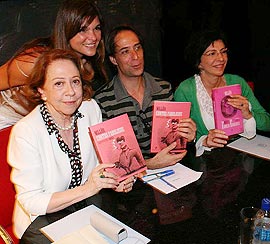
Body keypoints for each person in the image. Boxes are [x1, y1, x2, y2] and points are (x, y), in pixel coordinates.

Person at [7, 49, 135, 240]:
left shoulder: (90, 108)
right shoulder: (26, 131)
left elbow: (102, 163)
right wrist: (89, 188)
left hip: (86, 205)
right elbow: (31, 202)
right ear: (42, 90)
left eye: (75, 81)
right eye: (59, 83)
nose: (71, 91)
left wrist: (118, 178)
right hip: (42, 220)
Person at [94, 25, 197, 240]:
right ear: (113, 60)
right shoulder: (102, 100)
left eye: (138, 48)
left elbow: (174, 141)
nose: (135, 57)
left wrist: (188, 135)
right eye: (125, 52)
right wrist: (150, 164)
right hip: (128, 192)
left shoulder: (163, 88)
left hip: (170, 181)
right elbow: (110, 164)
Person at [174, 29, 270, 217]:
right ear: (198, 61)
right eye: (211, 53)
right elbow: (179, 140)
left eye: (223, 51)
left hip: (241, 161)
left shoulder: (237, 83)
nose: (221, 58)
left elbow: (267, 122)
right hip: (205, 168)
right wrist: (202, 140)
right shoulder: (185, 90)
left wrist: (248, 113)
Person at [0, 0, 108, 130]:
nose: (93, 37)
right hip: (6, 124)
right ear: (67, 30)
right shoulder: (36, 61)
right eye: (82, 30)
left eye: (97, 28)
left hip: (44, 127)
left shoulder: (87, 65)